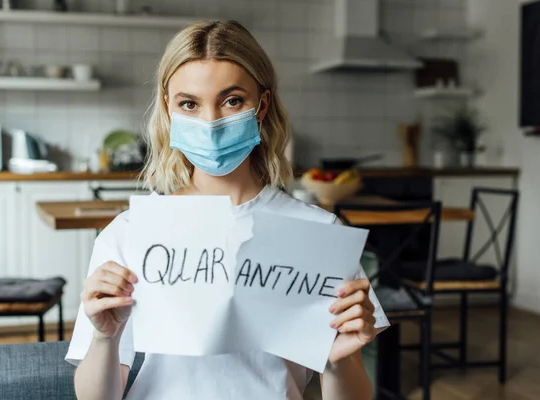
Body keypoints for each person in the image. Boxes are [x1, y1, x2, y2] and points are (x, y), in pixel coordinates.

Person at [66, 20, 389, 400]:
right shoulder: (132, 232)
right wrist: (105, 338)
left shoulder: (319, 234)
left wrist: (337, 360)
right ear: (169, 110)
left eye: (232, 100)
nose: (211, 122)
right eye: (189, 103)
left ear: (262, 105)